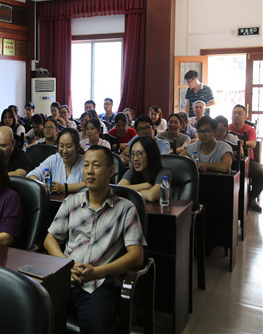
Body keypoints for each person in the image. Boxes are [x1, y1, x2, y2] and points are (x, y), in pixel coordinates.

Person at [44, 145, 146, 333]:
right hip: (66, 277)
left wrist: (98, 272)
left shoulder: (126, 209)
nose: (89, 171)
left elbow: (136, 256)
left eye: (96, 165)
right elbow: (50, 239)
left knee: (94, 326)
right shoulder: (71, 202)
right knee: (33, 313)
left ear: (111, 171)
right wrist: (67, 264)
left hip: (99, 284)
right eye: (86, 165)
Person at [28, 127, 86, 194]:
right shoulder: (54, 159)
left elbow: (94, 183)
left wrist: (65, 187)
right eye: (61, 146)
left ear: (78, 147)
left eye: (69, 147)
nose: (64, 151)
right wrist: (42, 186)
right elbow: (31, 175)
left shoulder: (85, 162)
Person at [229, 104, 263, 212]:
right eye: (234, 113)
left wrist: (238, 143)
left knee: (261, 173)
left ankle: (252, 199)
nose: (236, 115)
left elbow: (253, 143)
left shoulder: (249, 130)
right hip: (230, 159)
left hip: (247, 161)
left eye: (239, 113)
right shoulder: (227, 128)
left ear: (245, 116)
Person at [119, 136, 170, 202]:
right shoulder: (132, 171)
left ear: (151, 155)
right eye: (132, 154)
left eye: (140, 154)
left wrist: (129, 192)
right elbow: (119, 189)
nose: (135, 159)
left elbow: (151, 196)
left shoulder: (163, 173)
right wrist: (145, 185)